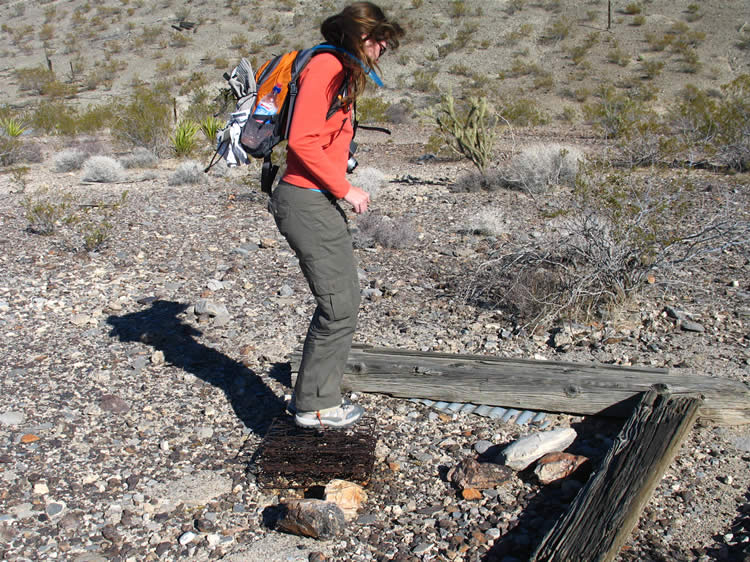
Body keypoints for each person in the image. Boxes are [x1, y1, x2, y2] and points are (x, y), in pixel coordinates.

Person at [269, 2, 403, 428]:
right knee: (338, 306)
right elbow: (302, 142)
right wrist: (346, 189)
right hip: (305, 200)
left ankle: (316, 396)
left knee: (341, 301)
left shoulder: (338, 68)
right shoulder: (327, 67)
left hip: (313, 197)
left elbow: (319, 138)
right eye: (380, 38)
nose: (384, 47)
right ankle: (314, 406)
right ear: (361, 36)